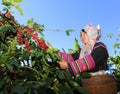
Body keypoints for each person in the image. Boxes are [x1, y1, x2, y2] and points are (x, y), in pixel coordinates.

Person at [56, 24, 116, 94]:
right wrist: (54, 51)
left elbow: (92, 60)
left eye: (84, 35)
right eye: (81, 36)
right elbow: (70, 58)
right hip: (87, 85)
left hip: (102, 85)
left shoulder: (100, 46)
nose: (82, 38)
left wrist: (69, 66)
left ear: (91, 34)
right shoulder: (82, 52)